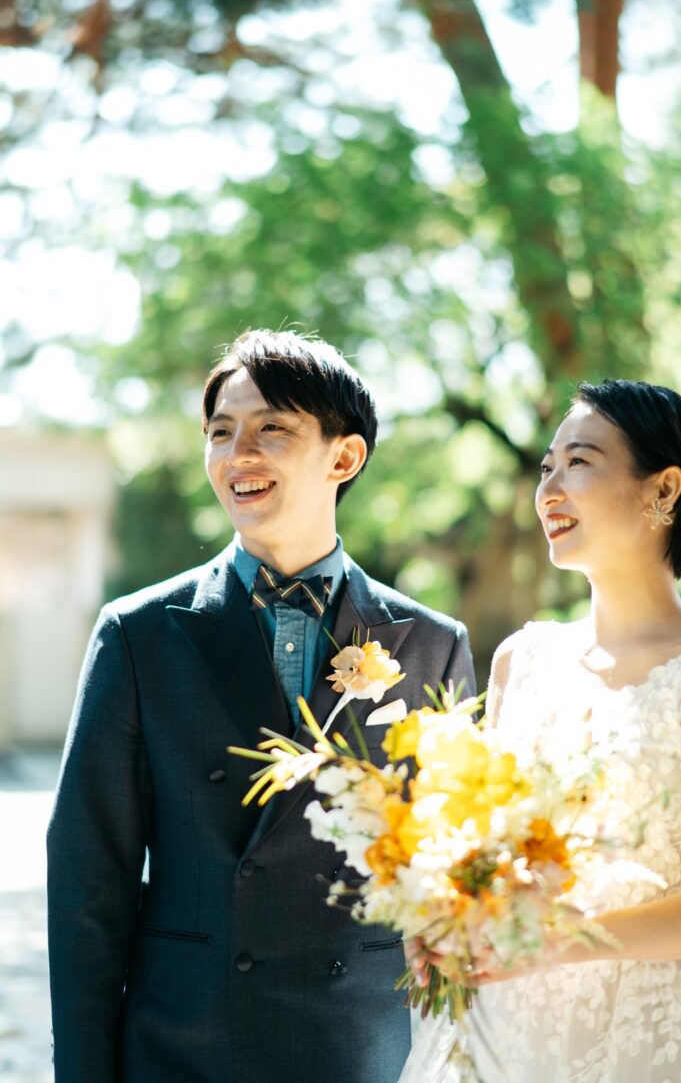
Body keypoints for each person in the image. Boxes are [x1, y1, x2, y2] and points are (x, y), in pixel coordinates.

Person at [47, 328, 475, 1083]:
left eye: (271, 428)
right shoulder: (140, 634)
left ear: (344, 457)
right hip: (186, 1043)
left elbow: (456, 869)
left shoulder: (431, 645)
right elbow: (89, 879)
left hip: (364, 1047)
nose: (237, 454)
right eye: (220, 433)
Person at [400, 379, 681, 1083]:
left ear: (664, 489)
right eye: (546, 468)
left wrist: (559, 943)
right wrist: (451, 912)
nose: (549, 491)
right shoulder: (520, 659)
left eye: (579, 462)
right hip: (503, 1029)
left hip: (650, 1035)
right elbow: (493, 847)